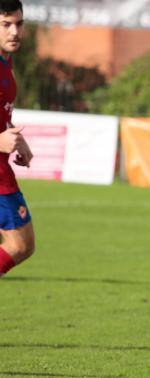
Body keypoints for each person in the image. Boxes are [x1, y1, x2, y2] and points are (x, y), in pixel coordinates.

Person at [0, 0, 34, 278]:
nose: (14, 32)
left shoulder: (6, 61)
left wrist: (16, 140)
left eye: (19, 24)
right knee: (20, 245)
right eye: (6, 24)